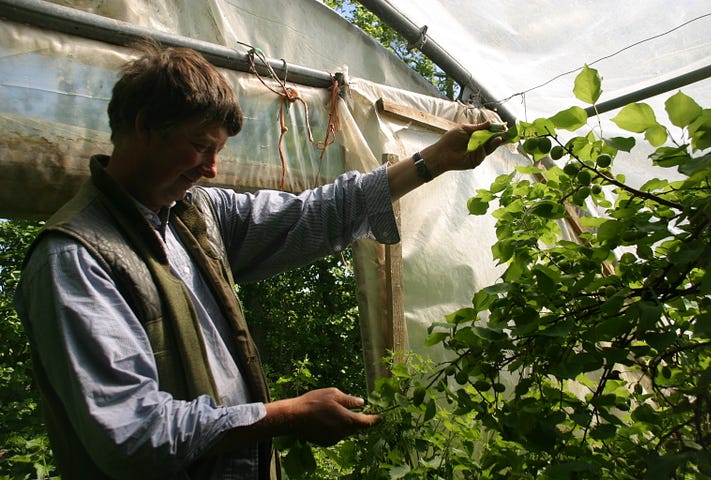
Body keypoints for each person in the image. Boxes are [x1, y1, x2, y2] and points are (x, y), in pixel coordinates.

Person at [14, 41, 503, 480]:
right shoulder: (75, 259)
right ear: (144, 126)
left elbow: (316, 213)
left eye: (217, 151)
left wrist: (432, 161)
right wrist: (285, 415)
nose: (211, 168)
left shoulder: (194, 215)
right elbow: (131, 433)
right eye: (201, 147)